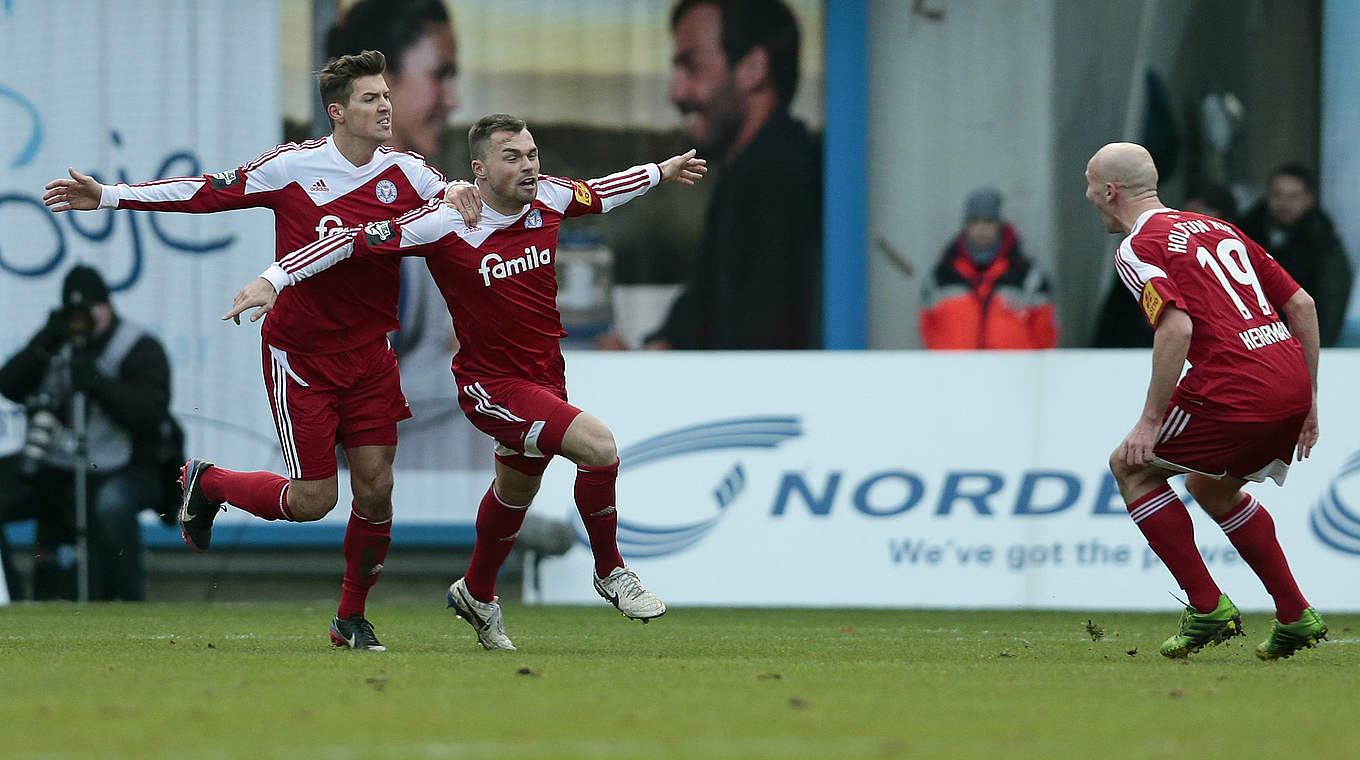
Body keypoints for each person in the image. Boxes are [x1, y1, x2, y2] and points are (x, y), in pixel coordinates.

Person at [42, 51, 480, 649]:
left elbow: (446, 194)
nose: (385, 106)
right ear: (338, 112)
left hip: (371, 355)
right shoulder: (294, 167)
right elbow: (205, 191)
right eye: (371, 98)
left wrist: (459, 190)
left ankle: (349, 617)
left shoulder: (405, 170)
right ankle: (212, 483)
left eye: (386, 95)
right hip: (300, 356)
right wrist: (112, 196)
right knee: (313, 501)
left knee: (377, 488)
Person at [226, 114, 707, 650]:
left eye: (531, 154)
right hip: (491, 385)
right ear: (479, 169)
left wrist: (662, 171)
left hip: (545, 378)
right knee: (598, 446)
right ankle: (611, 570)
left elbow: (602, 192)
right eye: (513, 157)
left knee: (516, 490)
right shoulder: (443, 222)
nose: (528, 166)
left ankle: (477, 592)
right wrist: (274, 279)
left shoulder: (549, 197)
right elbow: (352, 241)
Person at [1085, 142, 1327, 660]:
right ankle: (1294, 614)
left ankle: (1208, 606)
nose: (1088, 195)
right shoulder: (1217, 228)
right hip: (1287, 376)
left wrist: (1150, 422)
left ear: (1109, 191)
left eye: (1089, 184)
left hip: (1236, 383)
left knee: (1131, 469)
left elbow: (1176, 326)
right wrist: (1308, 400)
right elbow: (1301, 303)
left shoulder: (1136, 247)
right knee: (1211, 489)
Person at [643, 0, 821, 350]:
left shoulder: (773, 182)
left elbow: (751, 339)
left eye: (692, 67)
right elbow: (702, 313)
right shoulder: (750, 174)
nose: (675, 93)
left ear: (755, 67)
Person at [0, 266, 171, 601]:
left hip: (120, 467)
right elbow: (9, 385)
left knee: (112, 504)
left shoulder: (137, 346)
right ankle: (11, 598)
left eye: (88, 311)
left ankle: (129, 601)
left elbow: (150, 416)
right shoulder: (56, 341)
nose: (81, 321)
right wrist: (46, 340)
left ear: (106, 307)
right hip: (54, 465)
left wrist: (97, 383)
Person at [1091, 185, 1238, 348]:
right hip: (1144, 348)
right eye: (1188, 213)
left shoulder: (1238, 253)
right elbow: (1120, 318)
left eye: (1202, 212)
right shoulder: (1148, 252)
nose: (1192, 221)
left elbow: (1179, 328)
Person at [918, 187, 1058, 349]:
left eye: (988, 221)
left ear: (999, 224)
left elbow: (1045, 332)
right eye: (975, 221)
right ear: (966, 225)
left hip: (1013, 372)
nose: (981, 229)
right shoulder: (941, 276)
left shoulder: (1028, 277)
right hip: (955, 372)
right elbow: (928, 328)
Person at [1236, 162, 1352, 347]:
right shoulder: (1244, 235)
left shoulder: (1324, 243)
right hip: (1248, 343)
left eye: (1294, 196)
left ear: (1309, 199)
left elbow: (1332, 304)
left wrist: (1318, 347)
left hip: (1304, 344)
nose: (1284, 203)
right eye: (1277, 195)